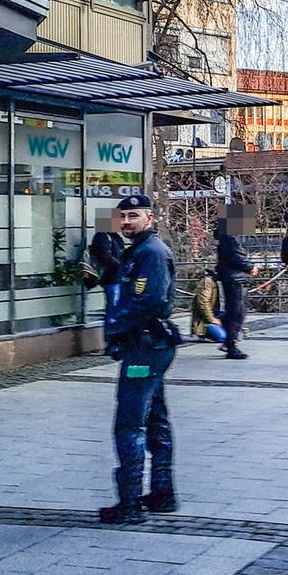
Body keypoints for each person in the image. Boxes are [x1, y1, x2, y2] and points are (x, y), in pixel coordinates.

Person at [99, 194, 182, 525]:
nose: (126, 222)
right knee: (156, 418)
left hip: (145, 347)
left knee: (129, 423)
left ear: (150, 217)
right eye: (122, 217)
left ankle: (130, 502)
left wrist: (115, 329)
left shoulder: (151, 253)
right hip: (148, 345)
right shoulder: (139, 251)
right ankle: (163, 493)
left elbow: (147, 301)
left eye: (134, 215)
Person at [215, 204, 257, 360]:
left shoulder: (227, 234)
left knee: (235, 310)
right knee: (237, 311)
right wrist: (250, 266)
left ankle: (229, 340)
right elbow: (235, 254)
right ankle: (231, 343)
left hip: (231, 275)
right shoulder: (231, 234)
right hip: (235, 276)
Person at [89, 210, 125, 319]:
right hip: (111, 277)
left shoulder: (113, 236)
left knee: (116, 306)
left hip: (115, 276)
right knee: (113, 307)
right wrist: (120, 265)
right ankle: (112, 332)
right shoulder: (102, 236)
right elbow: (105, 256)